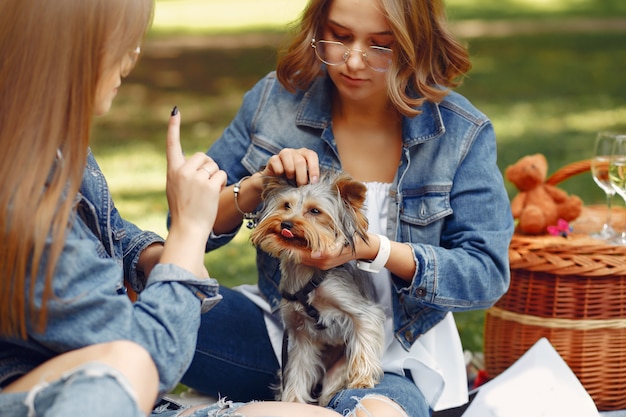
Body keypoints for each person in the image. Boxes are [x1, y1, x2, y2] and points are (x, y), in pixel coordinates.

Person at [0, 1, 345, 417]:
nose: (132, 59)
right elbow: (142, 361)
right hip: (70, 393)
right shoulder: (21, 188)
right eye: (123, 44)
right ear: (71, 51)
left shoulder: (49, 148)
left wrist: (156, 257)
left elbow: (108, 235)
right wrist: (187, 235)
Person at [181, 0, 515, 416]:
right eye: (339, 37)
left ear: (415, 45)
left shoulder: (461, 134)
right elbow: (186, 227)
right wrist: (254, 186)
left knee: (374, 412)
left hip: (389, 357)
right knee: (147, 300)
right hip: (283, 333)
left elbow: (486, 273)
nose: (353, 60)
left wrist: (372, 249)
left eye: (380, 45)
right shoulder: (274, 101)